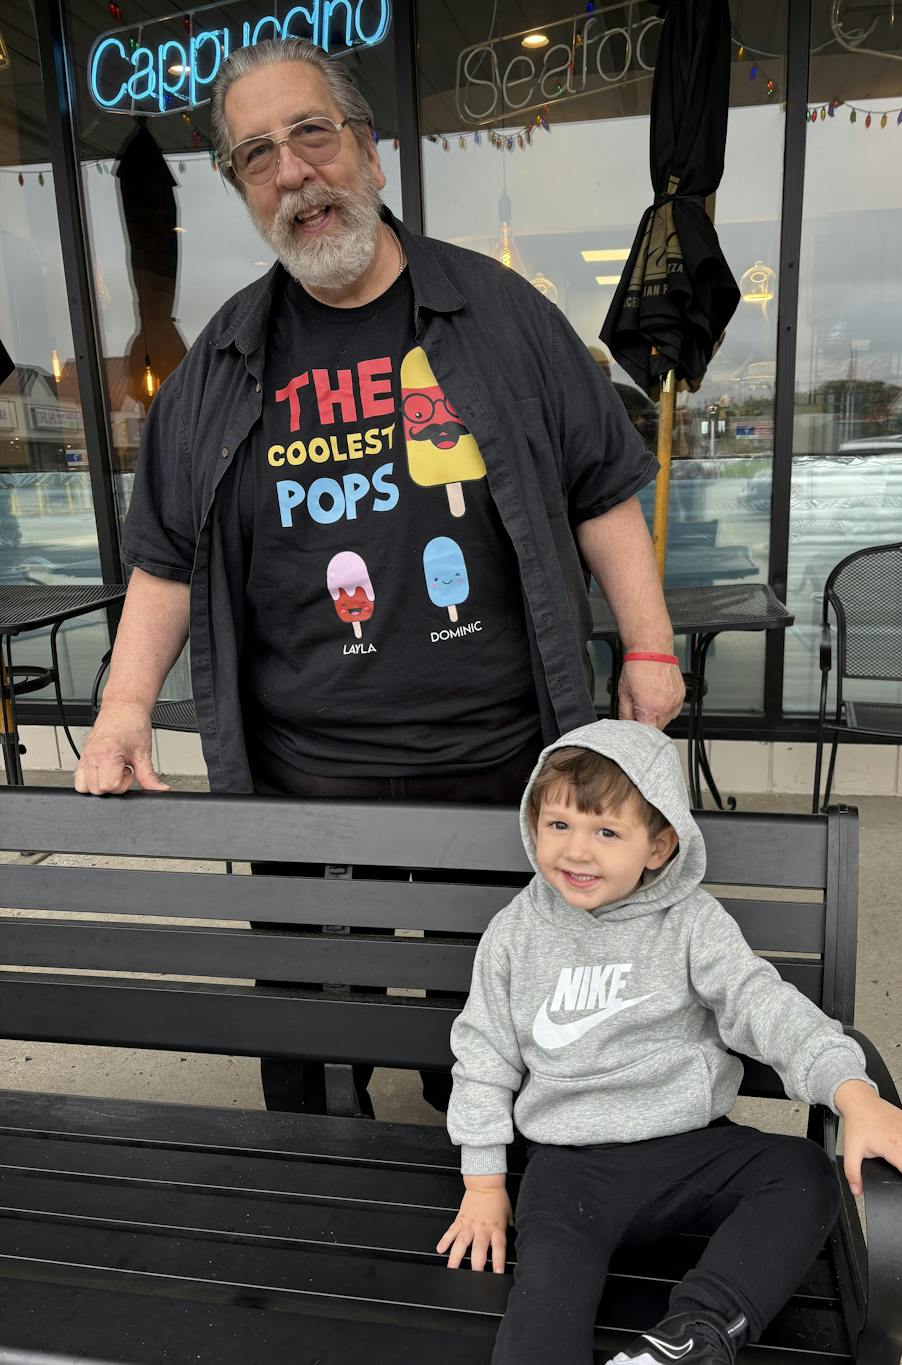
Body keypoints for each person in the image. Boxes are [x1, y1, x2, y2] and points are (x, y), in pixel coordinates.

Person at [73, 39, 684, 1113]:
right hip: (306, 773)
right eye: (257, 155)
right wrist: (124, 708)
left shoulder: (501, 315)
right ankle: (329, 1166)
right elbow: (165, 557)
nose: (294, 172)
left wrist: (648, 645)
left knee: (497, 1026)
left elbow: (601, 490)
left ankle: (478, 1152)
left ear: (368, 149)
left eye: (312, 133)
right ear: (241, 188)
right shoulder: (220, 363)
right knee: (310, 1041)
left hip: (495, 757)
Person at [439, 720, 902, 1365]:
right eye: (559, 824)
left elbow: (763, 1006)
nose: (577, 850)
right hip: (569, 1167)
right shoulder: (515, 933)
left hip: (692, 1150)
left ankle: (693, 1337)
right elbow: (484, 1056)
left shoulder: (693, 924)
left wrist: (853, 1092)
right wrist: (484, 1185)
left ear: (659, 844)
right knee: (547, 1293)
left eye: (606, 832)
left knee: (804, 1174)